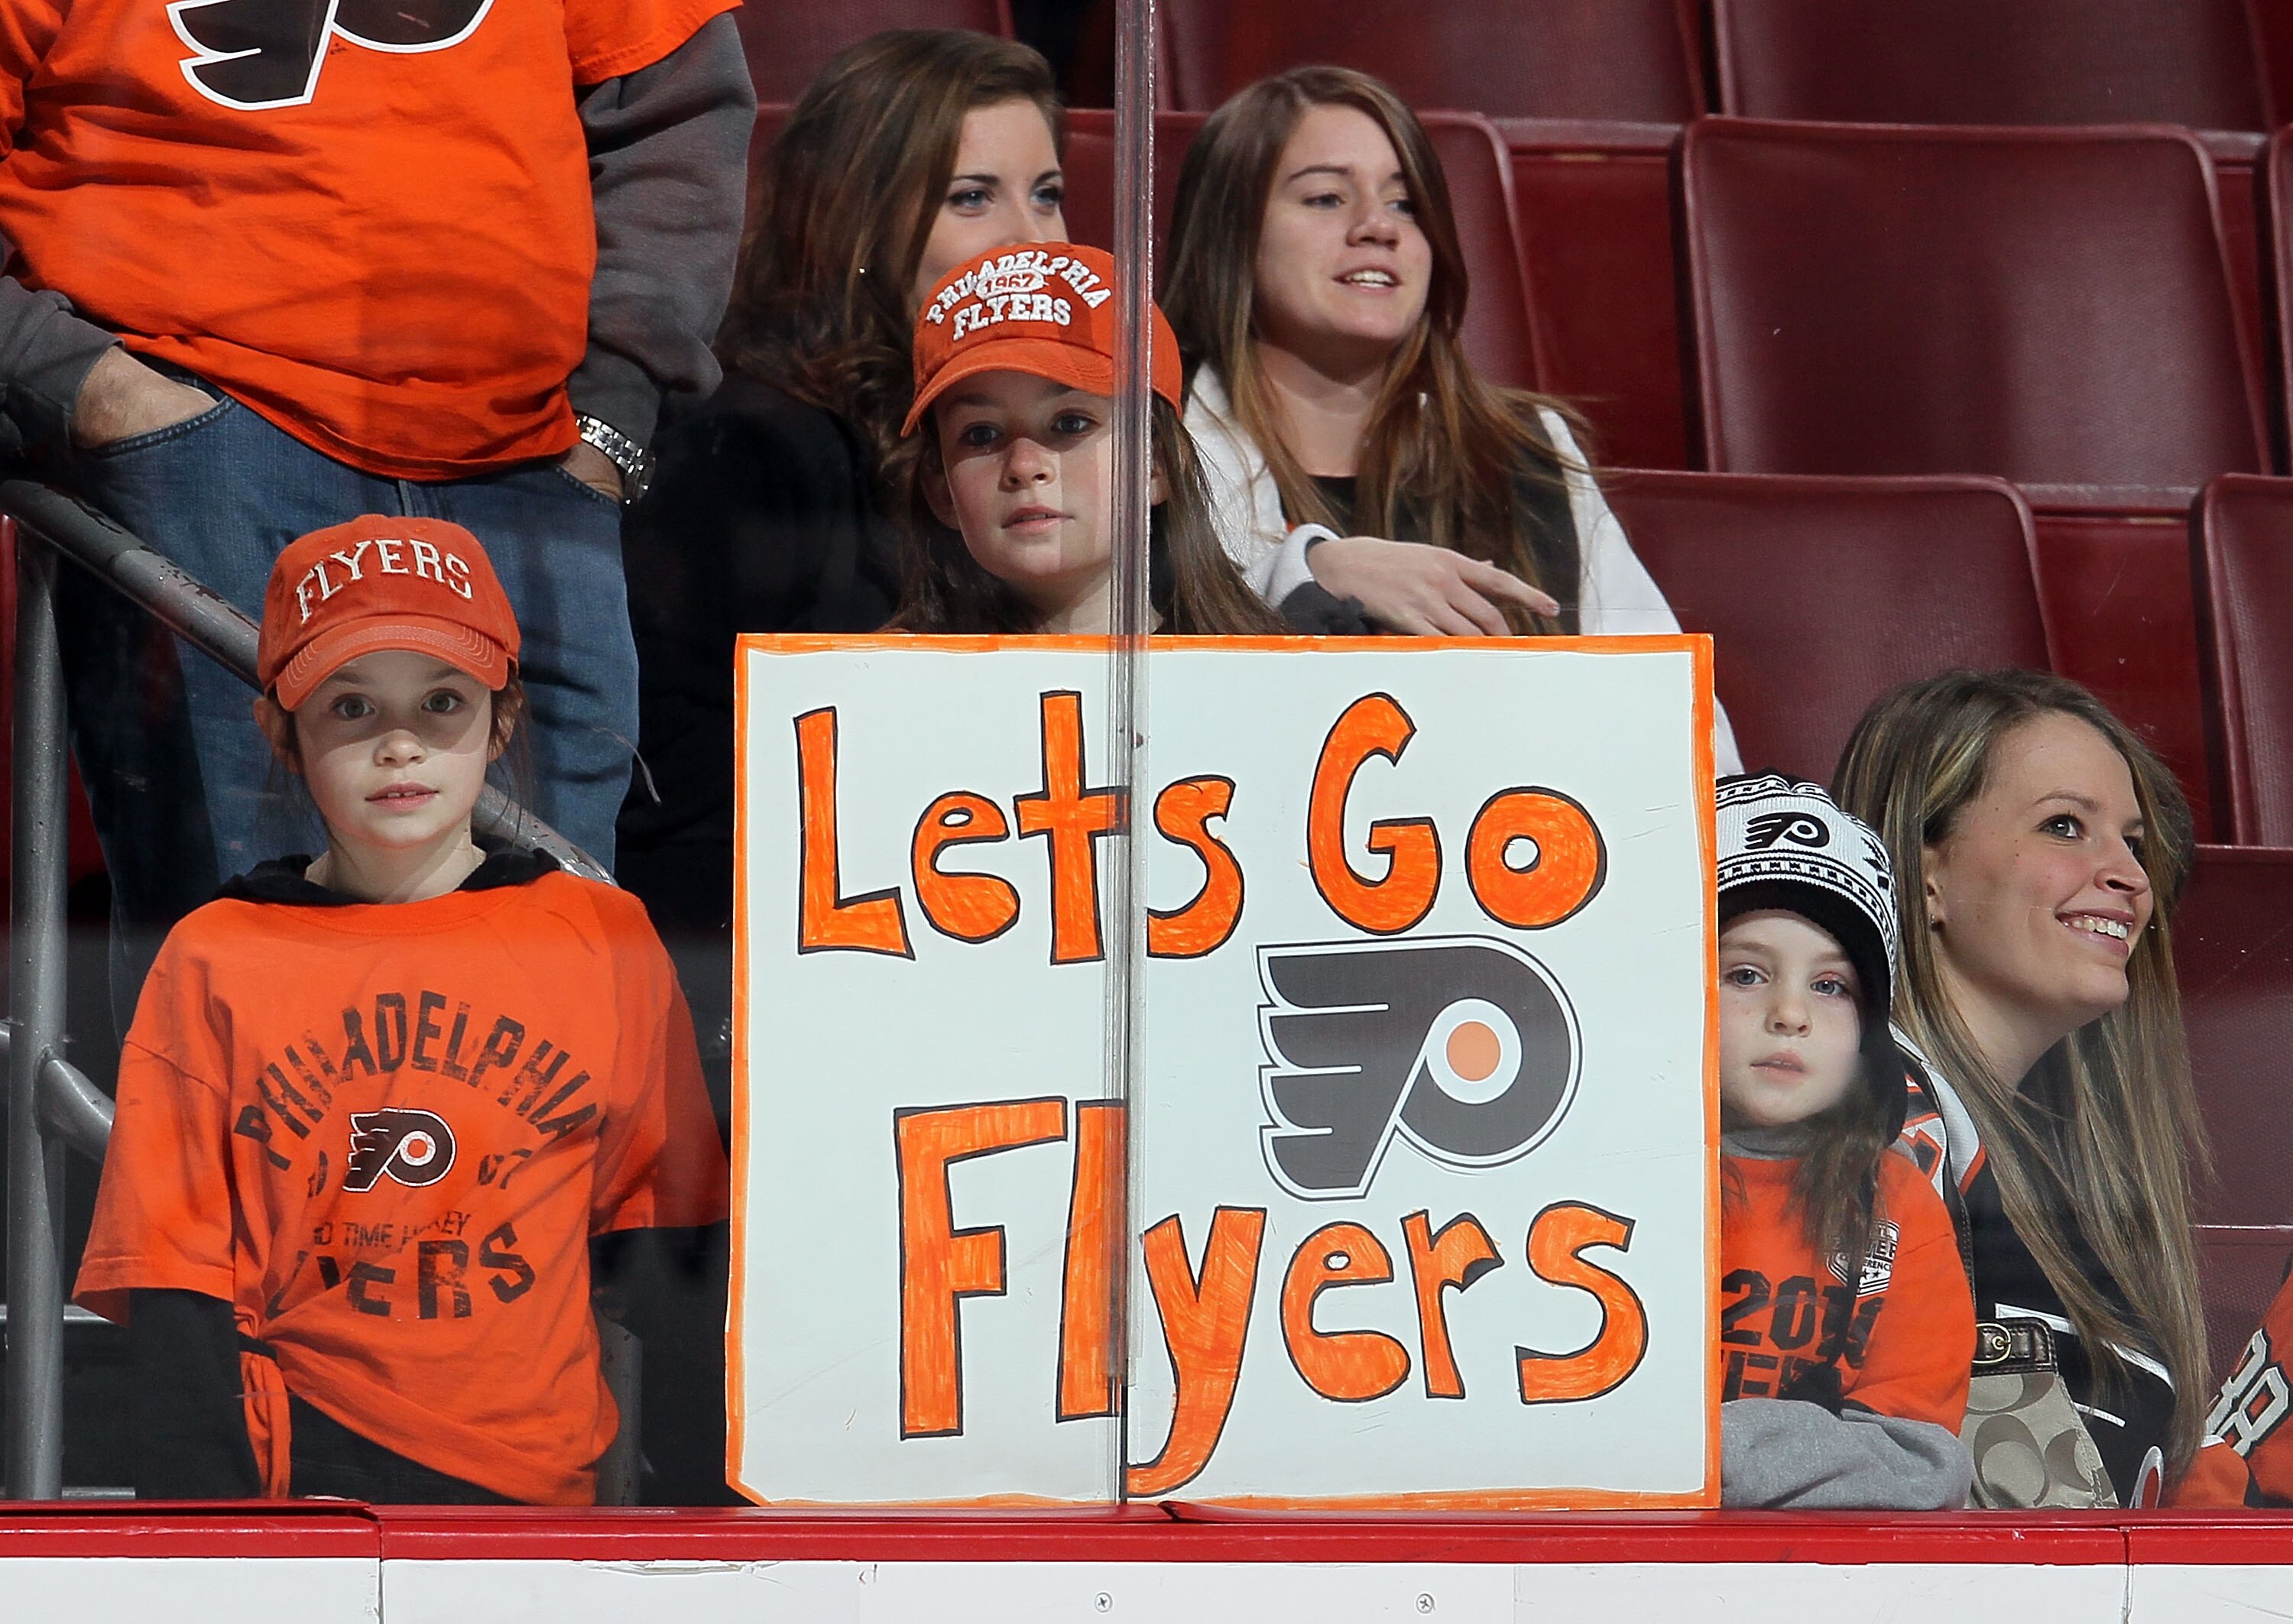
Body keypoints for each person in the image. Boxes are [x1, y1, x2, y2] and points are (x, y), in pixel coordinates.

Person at [0, 0, 753, 1009]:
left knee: (551, 997)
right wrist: (85, 386)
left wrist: (610, 413)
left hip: (527, 458)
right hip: (201, 431)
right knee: (263, 1007)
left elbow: (676, 106)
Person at [74, 517, 730, 1505]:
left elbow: (671, 1250)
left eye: (441, 701)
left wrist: (705, 1526)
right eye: (351, 705)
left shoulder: (601, 937)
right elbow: (177, 1281)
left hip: (533, 1485)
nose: (398, 744)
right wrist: (204, 1557)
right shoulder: (219, 953)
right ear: (281, 732)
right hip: (302, 1468)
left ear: (502, 720)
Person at [617, 29, 1067, 1113]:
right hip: (769, 1032)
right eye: (973, 198)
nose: (1028, 240)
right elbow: (679, 806)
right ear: (862, 218)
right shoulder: (751, 447)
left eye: (1047, 195)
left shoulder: (1046, 440)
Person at [1160, 66, 1738, 764]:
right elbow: (1137, 703)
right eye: (1325, 198)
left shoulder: (1525, 455)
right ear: (1229, 239)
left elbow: (1678, 726)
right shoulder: (1145, 451)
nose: (1377, 227)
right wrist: (1315, 574)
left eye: (1406, 206)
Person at [1835, 668, 2207, 1506]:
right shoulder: (1868, 1123)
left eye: (2135, 844)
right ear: (1925, 872)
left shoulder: (2048, 1158)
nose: (2130, 878)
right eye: (2066, 826)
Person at [1713, 773, 1974, 1509]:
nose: (1789, 1011)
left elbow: (1918, 1460)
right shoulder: (1597, 1176)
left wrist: (1689, 1459)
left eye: (1831, 986)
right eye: (1745, 972)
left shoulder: (1901, 1207)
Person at [891, 241, 1286, 638]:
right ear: (940, 488)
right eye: (981, 435)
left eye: (1070, 424)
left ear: (1157, 462)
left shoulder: (1257, 674)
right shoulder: (890, 681)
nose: (1025, 467)